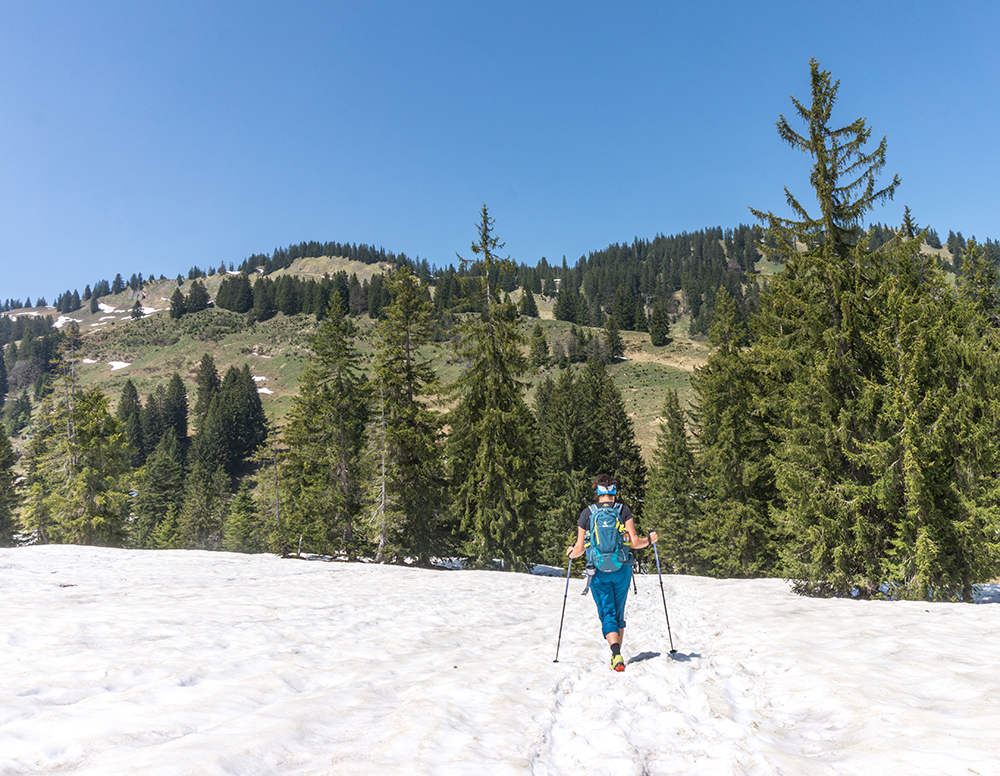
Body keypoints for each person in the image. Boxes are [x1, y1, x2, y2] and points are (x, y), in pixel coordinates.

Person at [566, 474, 657, 672]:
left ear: (597, 492)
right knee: (619, 611)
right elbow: (634, 542)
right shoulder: (623, 511)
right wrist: (650, 540)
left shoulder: (587, 514)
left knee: (607, 612)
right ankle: (617, 656)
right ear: (614, 492)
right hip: (621, 568)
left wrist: (570, 553)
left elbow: (580, 549)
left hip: (597, 570)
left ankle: (616, 654)